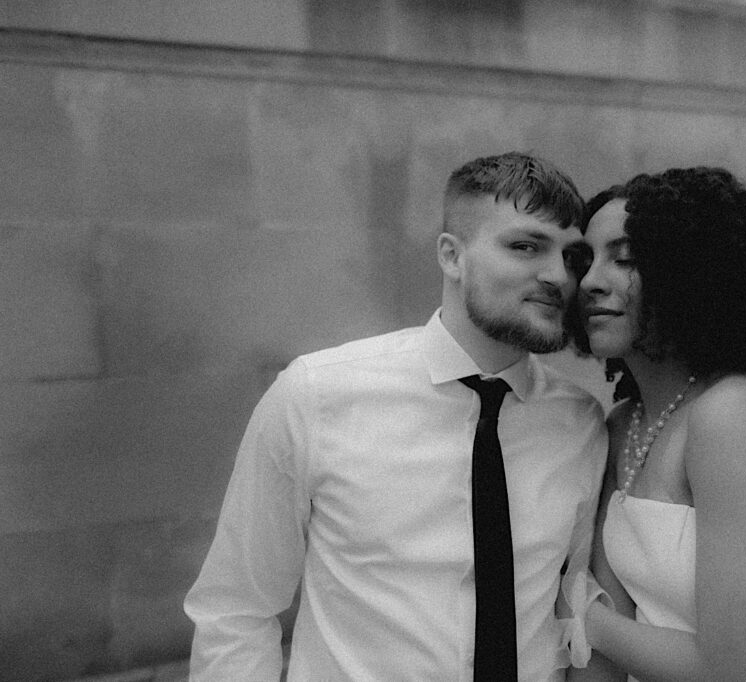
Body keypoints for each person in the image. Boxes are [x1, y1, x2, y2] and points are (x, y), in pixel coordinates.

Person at [184, 151, 608, 681]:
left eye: (571, 258)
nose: (557, 277)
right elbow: (237, 609)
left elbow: (574, 609)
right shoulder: (317, 395)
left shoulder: (580, 423)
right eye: (525, 246)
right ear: (452, 257)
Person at [563, 167, 746, 681]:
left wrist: (583, 617)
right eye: (586, 262)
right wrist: (588, 623)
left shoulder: (734, 414)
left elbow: (739, 674)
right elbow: (599, 661)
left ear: (689, 273)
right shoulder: (626, 424)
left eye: (626, 259)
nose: (593, 282)